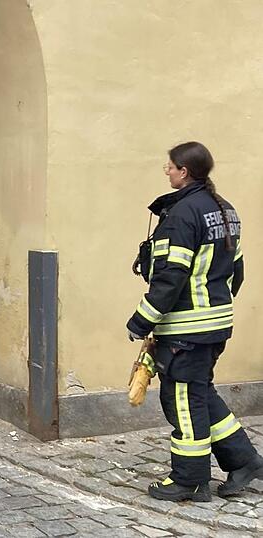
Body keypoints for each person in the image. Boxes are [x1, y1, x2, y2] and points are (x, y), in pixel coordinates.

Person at [126, 141, 262, 502]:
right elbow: (237, 271)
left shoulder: (183, 215)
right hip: (214, 324)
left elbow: (170, 276)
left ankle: (190, 480)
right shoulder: (225, 210)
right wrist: (214, 308)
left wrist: (141, 321)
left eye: (170, 166)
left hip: (187, 330)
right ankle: (245, 462)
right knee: (199, 393)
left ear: (184, 171)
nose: (167, 171)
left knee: (183, 402)